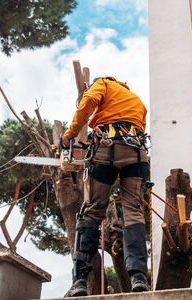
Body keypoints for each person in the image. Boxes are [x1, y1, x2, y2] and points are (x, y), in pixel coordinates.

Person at [63, 76, 150, 297]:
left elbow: (90, 99)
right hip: (137, 154)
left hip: (107, 151)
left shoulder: (103, 83)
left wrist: (70, 133)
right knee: (133, 211)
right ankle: (139, 277)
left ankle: (80, 280)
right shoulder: (136, 100)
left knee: (92, 211)